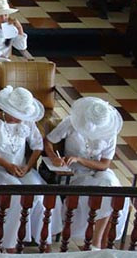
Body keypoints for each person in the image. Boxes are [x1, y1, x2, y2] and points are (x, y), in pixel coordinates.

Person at [0, 86, 62, 251]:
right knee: (15, 195)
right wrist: (7, 165)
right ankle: (9, 242)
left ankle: (42, 238)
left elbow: (38, 146)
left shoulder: (27, 122)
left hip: (22, 168)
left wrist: (28, 166)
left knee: (41, 194)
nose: (19, 119)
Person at [43, 97, 127, 249]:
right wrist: (54, 157)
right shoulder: (72, 122)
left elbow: (104, 164)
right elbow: (48, 141)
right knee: (101, 190)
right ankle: (96, 242)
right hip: (74, 173)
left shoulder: (109, 131)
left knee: (111, 185)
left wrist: (80, 159)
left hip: (97, 169)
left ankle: (100, 241)